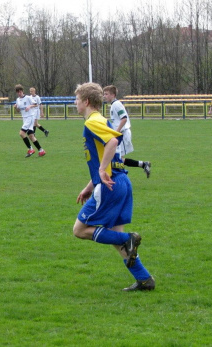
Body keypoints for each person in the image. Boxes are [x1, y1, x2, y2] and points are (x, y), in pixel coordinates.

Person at [73, 82, 155, 292]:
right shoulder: (104, 121)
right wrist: (89, 186)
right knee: (115, 238)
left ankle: (129, 239)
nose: (75, 103)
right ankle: (144, 279)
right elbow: (110, 157)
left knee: (80, 230)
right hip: (121, 181)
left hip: (110, 184)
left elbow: (112, 143)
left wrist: (101, 172)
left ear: (87, 102)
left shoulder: (93, 122)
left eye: (77, 99)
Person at [102, 85, 151, 178]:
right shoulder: (113, 105)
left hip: (123, 134)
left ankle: (121, 176)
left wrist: (116, 132)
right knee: (117, 158)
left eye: (106, 94)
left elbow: (123, 119)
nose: (104, 96)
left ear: (113, 95)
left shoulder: (116, 104)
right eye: (104, 94)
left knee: (116, 158)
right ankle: (143, 164)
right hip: (121, 134)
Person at [14, 84, 45, 158]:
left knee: (21, 133)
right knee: (31, 136)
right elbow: (19, 110)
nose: (19, 93)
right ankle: (41, 150)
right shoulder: (18, 100)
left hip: (30, 118)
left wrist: (30, 106)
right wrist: (15, 108)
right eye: (18, 92)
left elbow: (35, 104)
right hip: (25, 119)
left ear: (22, 91)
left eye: (20, 91)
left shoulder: (28, 98)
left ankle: (30, 149)